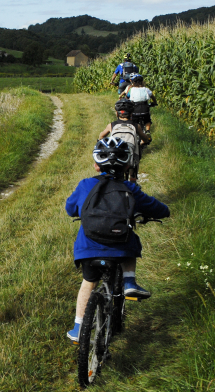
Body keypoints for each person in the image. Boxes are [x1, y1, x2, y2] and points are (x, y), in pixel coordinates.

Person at [65, 137, 170, 342]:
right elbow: (155, 207)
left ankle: (78, 327)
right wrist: (164, 211)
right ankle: (129, 282)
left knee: (88, 283)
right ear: (127, 164)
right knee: (132, 241)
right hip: (120, 248)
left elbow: (70, 208)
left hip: (89, 248)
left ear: (96, 166)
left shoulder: (85, 184)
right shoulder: (130, 188)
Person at [98, 99, 151, 182]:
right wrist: (145, 141)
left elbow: (101, 135)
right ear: (131, 113)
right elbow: (144, 138)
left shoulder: (111, 125)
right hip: (129, 152)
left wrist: (100, 141)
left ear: (117, 113)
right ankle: (133, 177)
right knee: (135, 157)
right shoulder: (136, 126)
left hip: (116, 153)